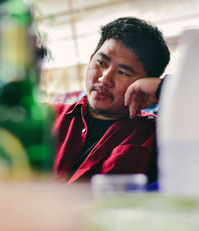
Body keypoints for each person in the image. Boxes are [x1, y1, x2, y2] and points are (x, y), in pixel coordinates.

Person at [51, 17, 170, 184]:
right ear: (91, 59)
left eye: (122, 72)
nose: (104, 79)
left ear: (144, 84)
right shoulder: (48, 117)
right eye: (101, 62)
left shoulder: (156, 135)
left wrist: (165, 87)